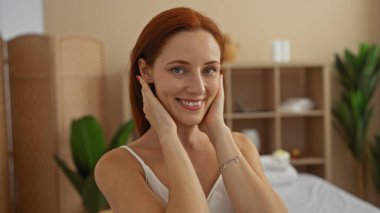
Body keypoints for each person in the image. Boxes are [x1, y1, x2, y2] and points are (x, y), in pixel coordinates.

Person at [95, 7, 288, 213]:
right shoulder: (118, 165)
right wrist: (168, 137)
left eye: (209, 69)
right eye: (178, 69)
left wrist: (219, 132)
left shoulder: (241, 147)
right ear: (146, 71)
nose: (198, 88)